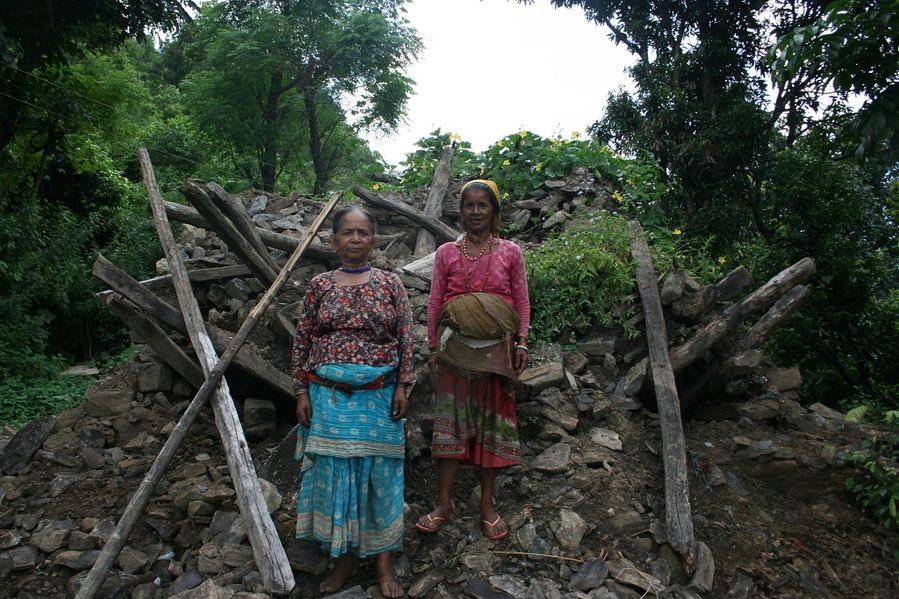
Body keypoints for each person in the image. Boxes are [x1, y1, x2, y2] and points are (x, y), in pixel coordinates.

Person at [291, 205, 414, 598]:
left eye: (363, 233)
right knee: (335, 476)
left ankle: (383, 564)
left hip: (378, 398)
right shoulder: (320, 286)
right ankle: (342, 558)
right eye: (348, 232)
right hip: (328, 398)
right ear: (335, 240)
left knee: (380, 475)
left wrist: (402, 386)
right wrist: (300, 390)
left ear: (374, 240)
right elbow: (303, 340)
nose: (356, 239)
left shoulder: (391, 284)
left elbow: (406, 338)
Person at [415, 179, 530, 541]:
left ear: (494, 212)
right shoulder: (447, 253)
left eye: (483, 206)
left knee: (490, 425)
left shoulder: (510, 252)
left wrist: (522, 343)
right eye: (469, 205)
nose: (476, 212)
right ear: (460, 211)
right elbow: (435, 302)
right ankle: (444, 503)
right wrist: (433, 347)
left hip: (497, 350)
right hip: (456, 351)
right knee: (451, 425)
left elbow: (521, 300)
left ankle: (487, 505)